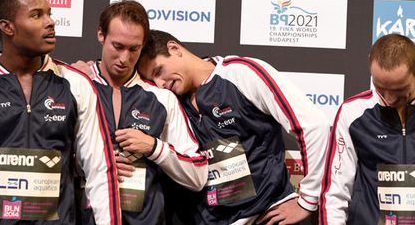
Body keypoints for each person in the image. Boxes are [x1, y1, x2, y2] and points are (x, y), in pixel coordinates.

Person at [137, 29, 330, 224]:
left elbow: (314, 125)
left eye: (158, 71)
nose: (159, 84)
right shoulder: (169, 102)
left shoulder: (240, 73)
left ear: (174, 48)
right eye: (152, 80)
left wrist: (308, 201)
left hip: (266, 213)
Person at [0, 0, 121, 224]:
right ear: (7, 27)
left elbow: (100, 172)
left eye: (49, 13)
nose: (50, 22)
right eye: (36, 15)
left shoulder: (75, 84)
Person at [72, 0, 208, 224]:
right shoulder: (75, 85)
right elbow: (49, 156)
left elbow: (198, 176)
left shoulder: (161, 98)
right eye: (118, 46)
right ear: (100, 34)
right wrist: (96, 162)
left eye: (134, 49)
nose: (124, 59)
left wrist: (154, 147)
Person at [320, 34, 415, 225]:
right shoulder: (353, 114)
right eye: (380, 87)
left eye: (399, 90)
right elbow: (335, 193)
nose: (389, 98)